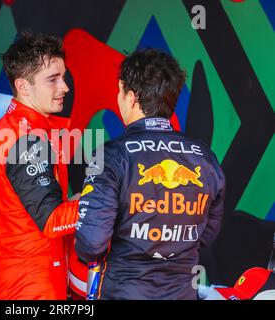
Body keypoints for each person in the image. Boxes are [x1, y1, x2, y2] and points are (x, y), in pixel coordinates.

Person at [75, 48, 226, 300]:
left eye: (119, 91)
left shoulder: (110, 156)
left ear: (131, 97)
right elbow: (206, 234)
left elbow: (91, 243)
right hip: (182, 293)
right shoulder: (205, 157)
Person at [0, 32, 80, 300]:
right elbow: (52, 220)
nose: (65, 87)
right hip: (29, 282)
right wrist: (107, 199)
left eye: (63, 76)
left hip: (35, 273)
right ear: (23, 86)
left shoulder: (26, 129)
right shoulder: (23, 138)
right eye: (53, 80)